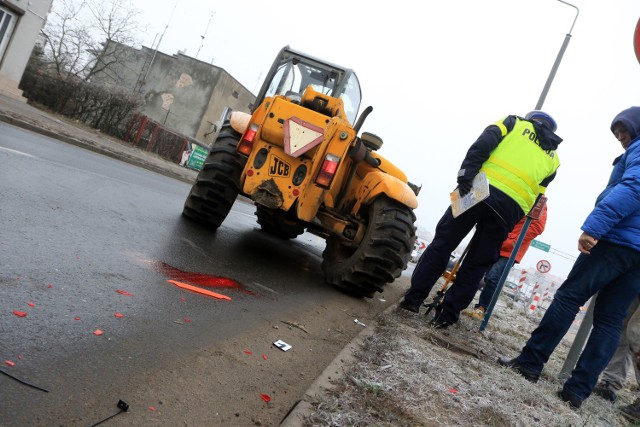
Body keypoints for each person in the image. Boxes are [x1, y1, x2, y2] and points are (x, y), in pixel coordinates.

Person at [498, 106, 640, 410]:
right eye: (616, 134)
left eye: (624, 131)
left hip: (616, 240)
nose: (621, 138)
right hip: (637, 256)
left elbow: (633, 188)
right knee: (611, 321)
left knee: (568, 297)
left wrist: (594, 227)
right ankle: (577, 391)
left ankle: (530, 363)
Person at [399, 111, 562, 329]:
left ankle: (413, 300)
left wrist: (465, 176)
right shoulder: (554, 159)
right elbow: (538, 198)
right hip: (509, 209)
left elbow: (482, 144)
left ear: (531, 119)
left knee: (443, 243)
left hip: (476, 188)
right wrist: (514, 217)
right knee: (478, 263)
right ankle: (447, 316)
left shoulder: (513, 122)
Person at [462, 204, 548, 320]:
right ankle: (463, 303)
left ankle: (481, 309)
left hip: (511, 249)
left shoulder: (539, 202)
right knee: (482, 273)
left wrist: (514, 239)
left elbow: (537, 227)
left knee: (493, 277)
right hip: (497, 240)